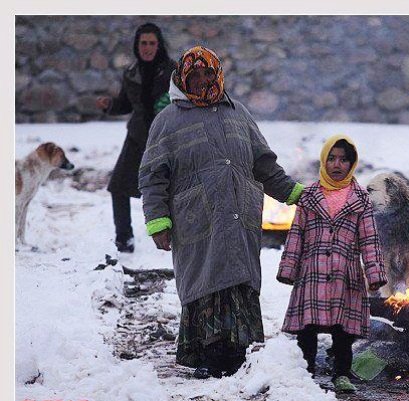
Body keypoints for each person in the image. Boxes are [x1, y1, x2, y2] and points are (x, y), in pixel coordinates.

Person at [138, 45, 304, 380]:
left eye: (207, 74)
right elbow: (152, 175)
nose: (201, 81)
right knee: (206, 283)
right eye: (194, 75)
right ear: (182, 79)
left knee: (237, 283)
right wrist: (158, 221)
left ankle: (236, 354)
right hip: (196, 220)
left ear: (218, 75)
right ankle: (208, 355)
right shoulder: (167, 122)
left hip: (239, 217)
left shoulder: (238, 112)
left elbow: (264, 165)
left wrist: (297, 194)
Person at [277, 135, 388, 393]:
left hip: (345, 275)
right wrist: (288, 268)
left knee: (343, 332)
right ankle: (305, 369)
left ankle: (341, 373)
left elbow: (369, 239)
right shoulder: (309, 197)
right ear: (324, 160)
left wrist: (374, 273)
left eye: (344, 160)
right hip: (312, 274)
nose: (337, 165)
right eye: (332, 158)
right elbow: (296, 235)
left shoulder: (360, 199)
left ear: (352, 164)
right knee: (307, 327)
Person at [96, 22, 175, 253]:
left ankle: (177, 237)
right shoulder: (131, 73)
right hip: (137, 137)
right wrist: (109, 105)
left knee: (173, 189)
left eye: (152, 43)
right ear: (137, 45)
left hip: (166, 137)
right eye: (143, 43)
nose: (147, 48)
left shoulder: (173, 71)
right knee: (119, 187)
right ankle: (124, 240)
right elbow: (125, 104)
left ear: (159, 45)